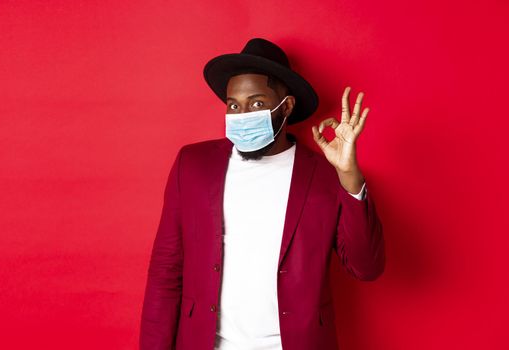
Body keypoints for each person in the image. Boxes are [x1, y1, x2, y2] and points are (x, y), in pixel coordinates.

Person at [139, 37, 385, 350]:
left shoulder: (324, 175)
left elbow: (366, 267)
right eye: (233, 105)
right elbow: (166, 271)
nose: (243, 114)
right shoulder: (193, 165)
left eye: (257, 103)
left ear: (287, 106)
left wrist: (349, 175)